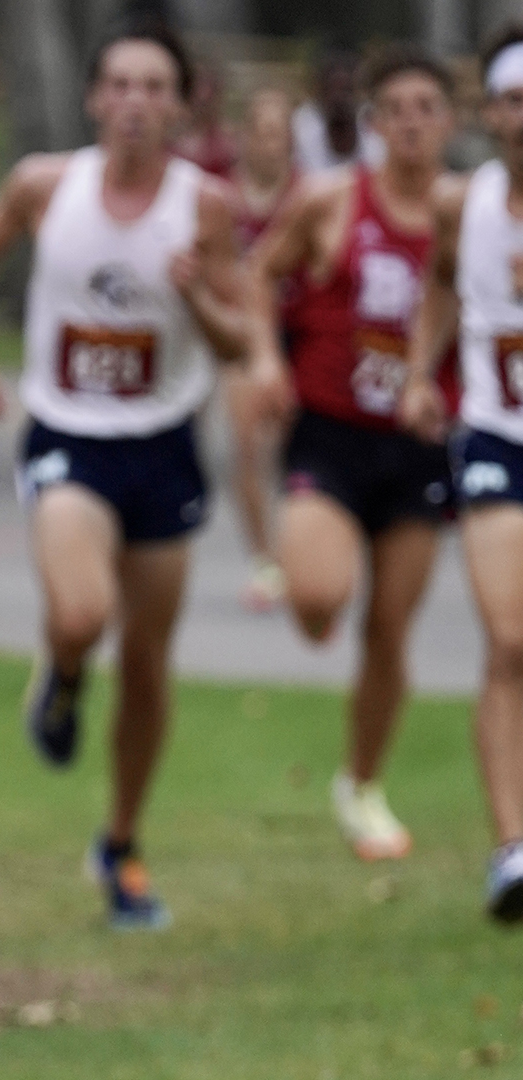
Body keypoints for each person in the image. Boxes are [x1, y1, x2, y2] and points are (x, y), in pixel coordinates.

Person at [0, 23, 249, 930]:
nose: (135, 103)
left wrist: (199, 292)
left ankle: (121, 844)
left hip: (164, 442)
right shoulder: (47, 184)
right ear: (94, 100)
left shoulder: (207, 207)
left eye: (155, 87)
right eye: (119, 84)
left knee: (151, 663)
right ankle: (67, 672)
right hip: (68, 434)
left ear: (182, 104)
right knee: (83, 613)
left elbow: (239, 340)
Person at [247, 48, 459, 863]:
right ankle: (313, 595)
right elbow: (262, 274)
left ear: (449, 122)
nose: (410, 122)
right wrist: (267, 361)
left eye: (426, 108)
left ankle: (362, 785)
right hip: (330, 434)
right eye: (395, 109)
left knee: (389, 631)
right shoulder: (334, 202)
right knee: (316, 596)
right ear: (373, 125)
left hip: (417, 446)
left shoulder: (468, 214)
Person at [401, 25, 523, 920]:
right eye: (513, 98)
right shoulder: (462, 203)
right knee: (511, 639)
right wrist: (417, 371)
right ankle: (512, 849)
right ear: (488, 112)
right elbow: (442, 281)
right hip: (494, 438)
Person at [224, 88, 300, 612]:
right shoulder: (222, 200)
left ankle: (299, 552)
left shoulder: (308, 198)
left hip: (300, 338)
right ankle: (263, 560)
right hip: (244, 342)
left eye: (281, 134)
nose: (270, 144)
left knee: (294, 450)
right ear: (245, 137)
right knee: (248, 448)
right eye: (262, 132)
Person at [295, 52, 387, 175]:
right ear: (319, 94)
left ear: (358, 94)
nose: (339, 98)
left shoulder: (376, 128)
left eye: (346, 90)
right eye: (331, 90)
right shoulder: (301, 129)